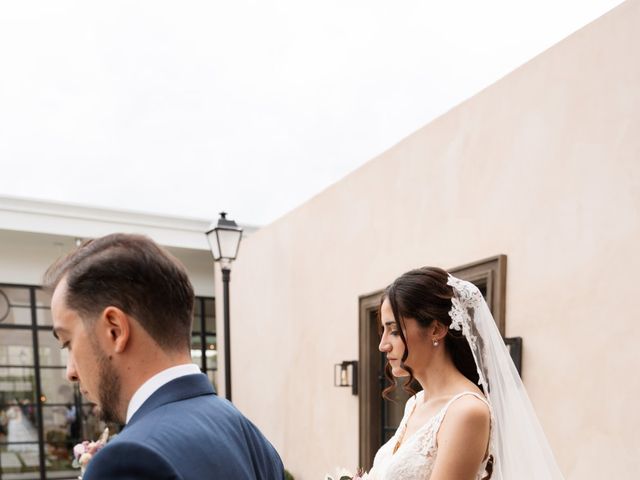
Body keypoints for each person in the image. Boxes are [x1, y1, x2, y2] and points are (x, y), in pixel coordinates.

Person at [44, 233, 284, 480]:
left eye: (68, 342)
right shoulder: (247, 435)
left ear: (114, 330)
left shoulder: (127, 462)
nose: (70, 372)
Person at [370, 267, 564, 480]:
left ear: (436, 329)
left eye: (395, 331)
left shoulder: (467, 412)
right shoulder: (415, 403)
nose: (383, 345)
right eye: (383, 330)